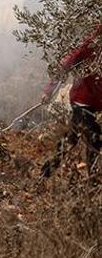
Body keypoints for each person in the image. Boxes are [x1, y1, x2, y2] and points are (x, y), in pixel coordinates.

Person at [41, 24, 102, 177]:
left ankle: (46, 172)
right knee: (94, 138)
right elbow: (66, 65)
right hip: (83, 102)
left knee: (71, 139)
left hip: (95, 103)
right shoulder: (89, 46)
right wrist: (49, 91)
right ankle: (92, 181)